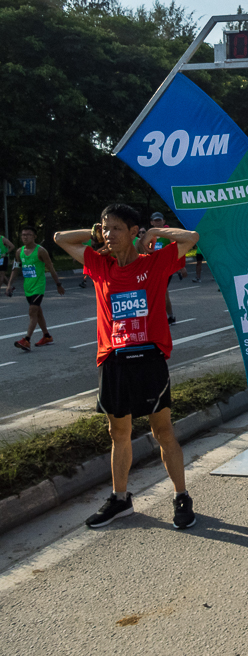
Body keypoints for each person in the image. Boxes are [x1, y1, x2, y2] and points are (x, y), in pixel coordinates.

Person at [54, 205, 200, 530]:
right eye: (106, 229)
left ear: (134, 232)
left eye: (116, 228)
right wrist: (95, 232)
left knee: (162, 431)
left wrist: (157, 232)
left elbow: (192, 238)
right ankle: (120, 500)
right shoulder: (99, 264)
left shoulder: (155, 263)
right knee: (118, 433)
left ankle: (181, 496)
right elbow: (60, 238)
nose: (109, 234)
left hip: (148, 359)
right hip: (113, 361)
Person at [6, 225, 65, 349]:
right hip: (27, 287)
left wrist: (58, 284)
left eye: (28, 234)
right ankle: (47, 336)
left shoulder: (41, 251)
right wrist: (9, 284)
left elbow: (51, 268)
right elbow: (15, 269)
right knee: (38, 313)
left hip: (38, 286)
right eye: (23, 234)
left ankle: (26, 340)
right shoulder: (19, 252)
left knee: (32, 311)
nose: (25, 237)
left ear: (34, 237)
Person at [149, 213, 183, 324]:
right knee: (162, 293)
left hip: (165, 268)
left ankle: (166, 316)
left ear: (163, 221)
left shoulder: (168, 235)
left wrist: (180, 266)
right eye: (156, 221)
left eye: (160, 220)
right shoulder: (150, 236)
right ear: (152, 222)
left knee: (162, 292)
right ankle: (170, 316)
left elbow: (176, 250)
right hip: (153, 268)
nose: (158, 222)